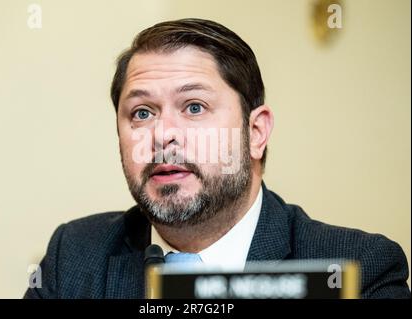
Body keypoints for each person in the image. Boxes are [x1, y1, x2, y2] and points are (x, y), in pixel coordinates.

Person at [24, 18, 410, 299]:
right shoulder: (74, 255)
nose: (162, 135)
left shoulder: (357, 270)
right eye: (142, 113)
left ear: (255, 132)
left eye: (194, 107)